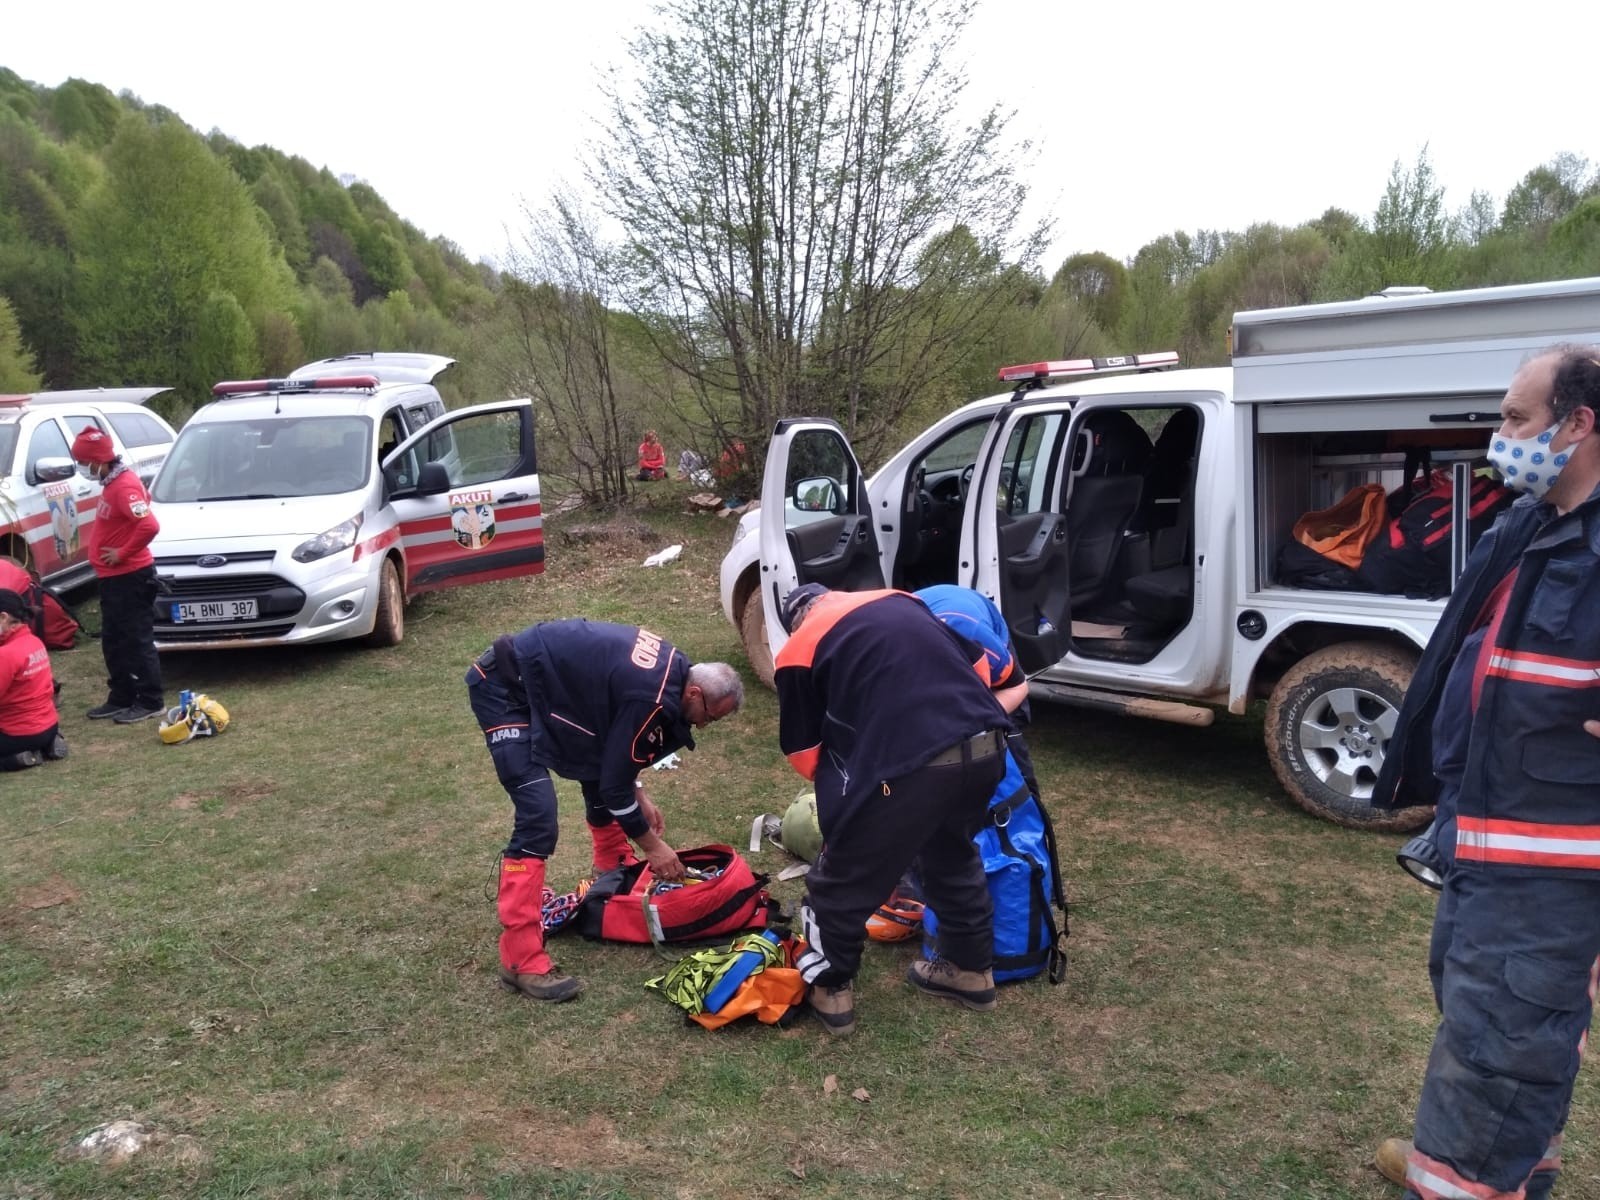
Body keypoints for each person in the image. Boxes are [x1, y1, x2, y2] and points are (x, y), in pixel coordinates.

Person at [1370, 345, 1600, 1200]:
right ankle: (1513, 1165)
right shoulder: (1530, 521)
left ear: (1577, 424)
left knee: (1504, 1033)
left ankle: (1462, 1177)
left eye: (1514, 417)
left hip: (1553, 866)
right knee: (1487, 1018)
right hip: (1481, 835)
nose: (1498, 436)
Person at [773, 583, 1012, 1036]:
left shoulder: (799, 648)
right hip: (986, 748)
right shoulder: (900, 599)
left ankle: (830, 987)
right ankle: (971, 972)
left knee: (843, 873)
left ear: (796, 621)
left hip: (910, 771)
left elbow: (806, 755)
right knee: (952, 854)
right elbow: (980, 667)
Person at [466, 619, 744, 1002]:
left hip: (544, 683)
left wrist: (640, 792)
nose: (705, 725)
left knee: (596, 769)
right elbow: (616, 784)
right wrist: (654, 847)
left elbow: (615, 744)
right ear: (694, 693)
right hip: (502, 686)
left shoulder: (675, 674)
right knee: (538, 817)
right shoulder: (654, 695)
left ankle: (613, 871)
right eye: (710, 716)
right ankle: (521, 960)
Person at [71, 427, 164, 723]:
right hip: (114, 579)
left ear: (98, 460)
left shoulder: (123, 486)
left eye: (84, 462)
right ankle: (122, 695)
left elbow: (149, 525)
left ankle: (151, 700)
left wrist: (121, 552)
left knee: (136, 639)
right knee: (114, 639)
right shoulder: (114, 484)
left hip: (130, 576)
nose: (82, 468)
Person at [0, 588, 67, 769]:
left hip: (18, 733)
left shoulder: (6, 654)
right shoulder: (34, 642)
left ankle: (18, 758)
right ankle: (48, 745)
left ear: (3, 617)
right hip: (49, 725)